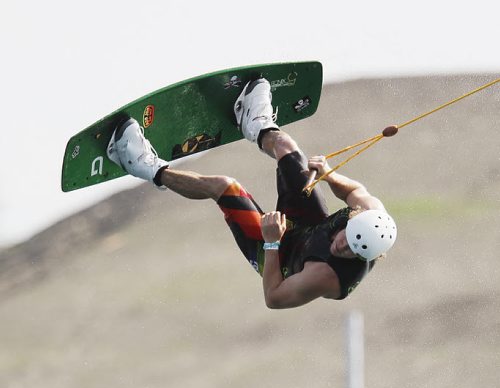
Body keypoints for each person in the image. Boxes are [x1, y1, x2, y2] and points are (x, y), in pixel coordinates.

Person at [107, 78, 397, 309]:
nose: (341, 247)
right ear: (356, 218)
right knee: (288, 149)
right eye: (347, 239)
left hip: (280, 256)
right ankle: (255, 123)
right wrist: (329, 174)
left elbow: (274, 298)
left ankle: (143, 165)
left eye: (351, 252)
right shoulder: (369, 210)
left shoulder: (326, 277)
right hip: (312, 223)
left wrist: (272, 243)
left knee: (224, 186)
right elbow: (355, 191)